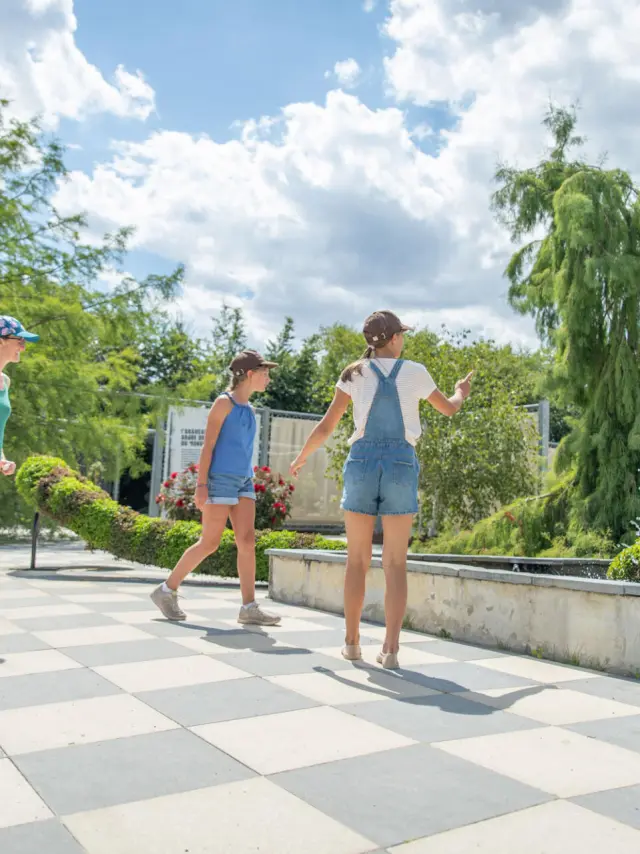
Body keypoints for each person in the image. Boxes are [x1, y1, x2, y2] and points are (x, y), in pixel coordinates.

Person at [290, 310, 472, 669]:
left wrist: (300, 457)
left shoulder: (352, 374)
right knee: (395, 563)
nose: (403, 340)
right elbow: (449, 409)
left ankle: (352, 644)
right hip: (401, 466)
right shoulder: (415, 372)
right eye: (401, 335)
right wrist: (460, 391)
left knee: (356, 561)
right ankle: (390, 651)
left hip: (361, 464)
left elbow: (327, 426)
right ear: (392, 339)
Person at [151, 350, 282, 626]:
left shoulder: (249, 410)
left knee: (247, 541)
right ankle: (166, 590)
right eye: (264, 373)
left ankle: (249, 607)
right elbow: (208, 446)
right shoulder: (223, 404)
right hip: (218, 480)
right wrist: (201, 485)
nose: (268, 378)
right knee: (210, 542)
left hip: (243, 481)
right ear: (249, 374)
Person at [0, 316, 40, 477]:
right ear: (2, 341)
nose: (23, 347)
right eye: (20, 341)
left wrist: (2, 460)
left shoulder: (5, 382)